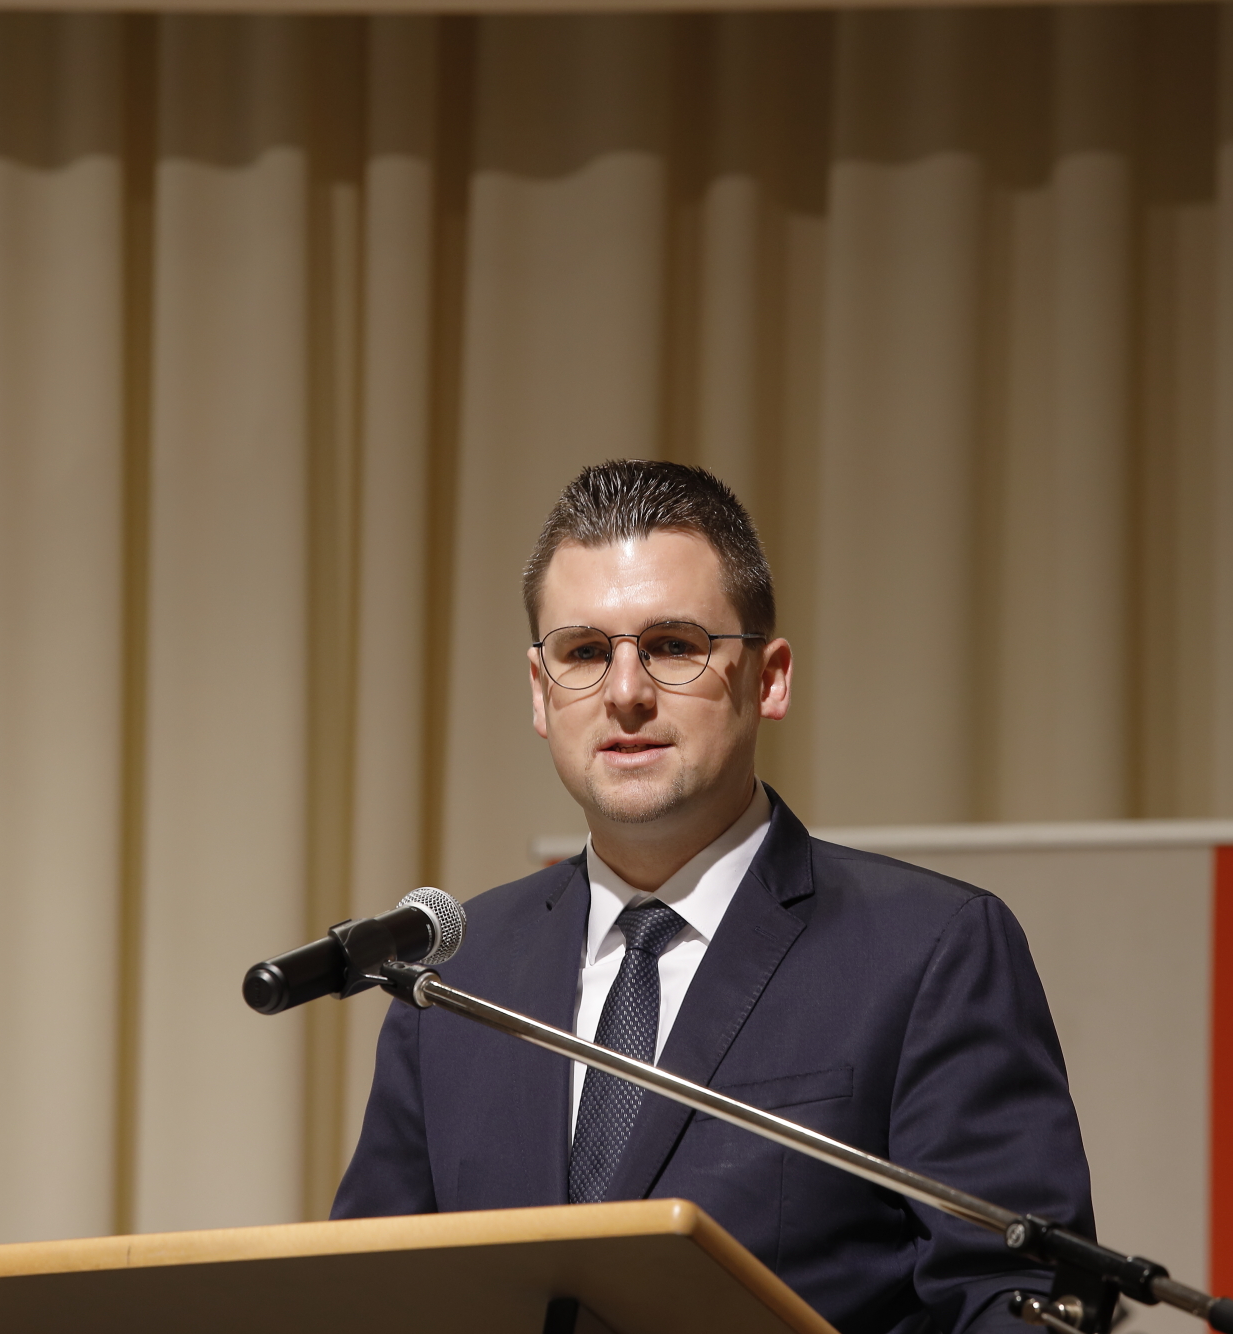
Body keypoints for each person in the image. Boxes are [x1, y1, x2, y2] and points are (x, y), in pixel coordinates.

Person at [333, 460, 1092, 1333]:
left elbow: (1011, 1302)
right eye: (584, 653)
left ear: (769, 679)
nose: (625, 693)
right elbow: (368, 1297)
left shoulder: (930, 951)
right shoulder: (457, 978)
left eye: (672, 646)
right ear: (541, 695)